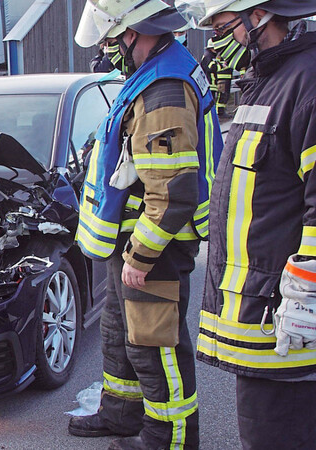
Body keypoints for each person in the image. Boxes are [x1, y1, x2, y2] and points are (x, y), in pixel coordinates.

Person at [71, 0, 223, 448]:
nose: (107, 49)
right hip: (135, 240)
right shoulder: (154, 72)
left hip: (154, 244)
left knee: (157, 343)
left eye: (111, 39)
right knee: (121, 332)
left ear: (134, 32)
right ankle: (121, 413)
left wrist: (140, 255)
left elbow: (173, 191)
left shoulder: (164, 89)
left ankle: (169, 435)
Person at [188, 0, 316, 447]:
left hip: (288, 328)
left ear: (260, 15)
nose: (217, 42)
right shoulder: (266, 83)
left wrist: (306, 296)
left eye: (224, 27)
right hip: (260, 316)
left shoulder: (307, 83)